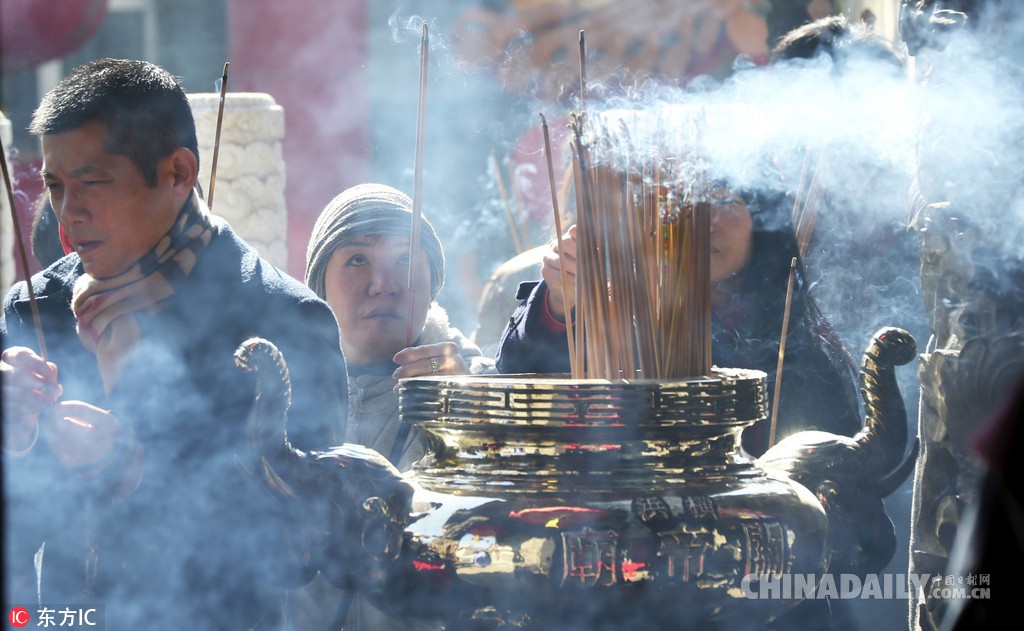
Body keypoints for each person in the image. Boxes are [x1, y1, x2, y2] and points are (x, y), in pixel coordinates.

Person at [1, 58, 349, 630]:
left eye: (93, 182)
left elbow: (309, 542)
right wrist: (12, 438)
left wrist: (140, 464)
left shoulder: (282, 319)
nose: (70, 211)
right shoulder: (37, 309)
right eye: (57, 186)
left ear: (179, 172)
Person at [495, 178, 862, 459]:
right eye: (677, 202)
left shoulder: (794, 336)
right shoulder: (608, 309)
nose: (699, 221)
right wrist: (563, 301)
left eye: (722, 201)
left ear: (764, 226)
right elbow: (521, 376)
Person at [298, 182, 493, 630]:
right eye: (358, 259)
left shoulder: (478, 388)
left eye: (405, 259)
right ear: (319, 283)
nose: (383, 284)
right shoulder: (277, 393)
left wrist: (470, 417)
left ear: (433, 283)